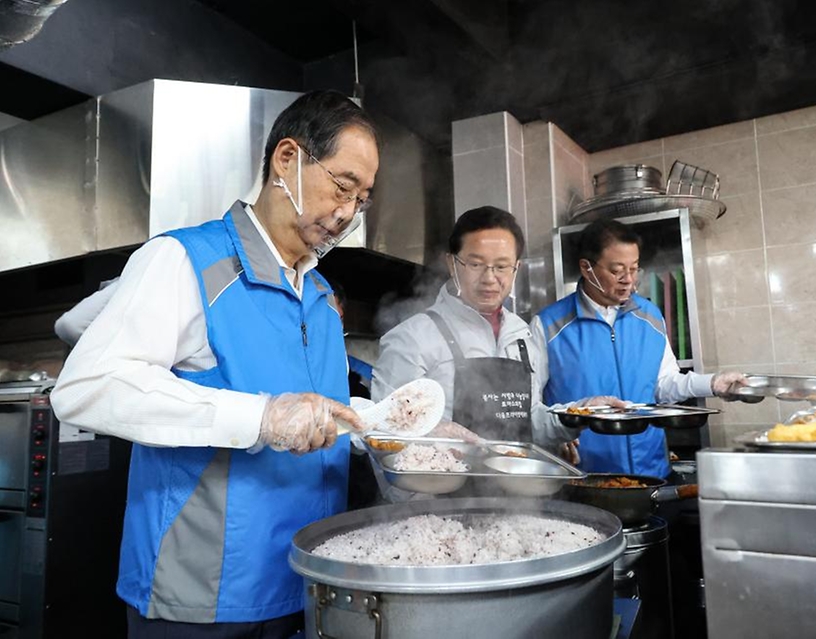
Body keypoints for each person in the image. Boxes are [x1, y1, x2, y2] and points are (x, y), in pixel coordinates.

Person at [50, 90, 378, 638]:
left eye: (362, 199)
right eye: (342, 186)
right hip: (203, 600)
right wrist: (262, 417)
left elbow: (320, 414)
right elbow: (88, 386)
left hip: (305, 584)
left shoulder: (320, 299)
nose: (347, 213)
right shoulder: (185, 260)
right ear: (287, 160)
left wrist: (408, 432)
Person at [372, 206, 616, 451]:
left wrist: (579, 414)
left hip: (513, 486)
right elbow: (383, 431)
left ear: (516, 269)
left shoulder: (521, 335)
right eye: (476, 264)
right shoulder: (412, 338)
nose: (489, 278)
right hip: (441, 486)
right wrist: (433, 435)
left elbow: (526, 420)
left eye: (501, 267)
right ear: (452, 264)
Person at [531, 219, 745, 479]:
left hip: (651, 473)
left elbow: (664, 385)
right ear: (587, 268)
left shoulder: (650, 316)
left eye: (634, 269)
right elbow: (530, 408)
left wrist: (713, 384)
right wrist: (557, 433)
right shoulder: (549, 325)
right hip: (584, 478)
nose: (629, 280)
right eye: (617, 271)